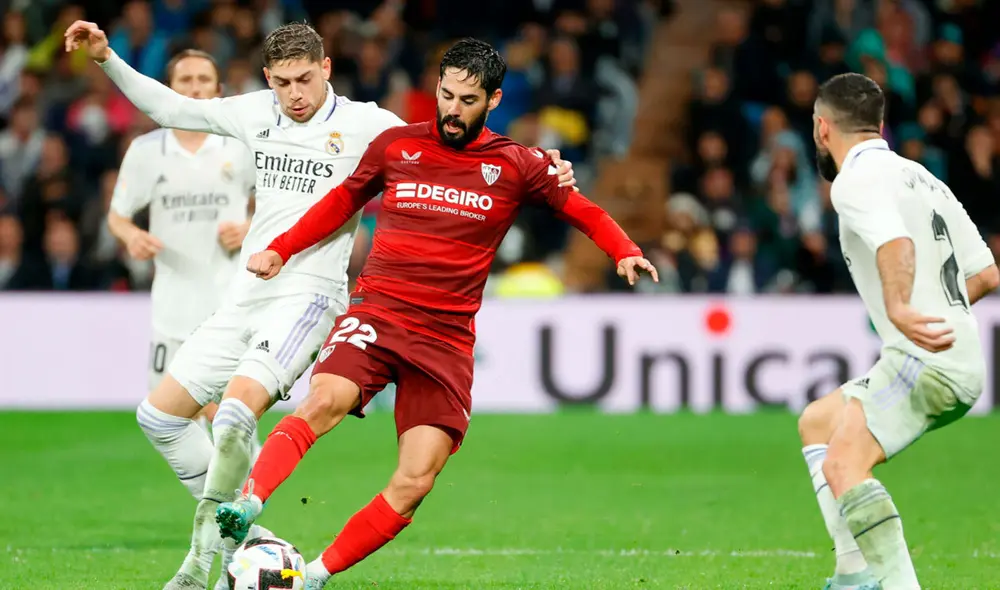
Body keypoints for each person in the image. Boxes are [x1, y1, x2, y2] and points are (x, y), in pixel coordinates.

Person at [65, 21, 577, 590]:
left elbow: (452, 138)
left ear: (326, 68)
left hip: (309, 295)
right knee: (158, 418)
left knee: (234, 414)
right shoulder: (255, 112)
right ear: (268, 78)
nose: (295, 94)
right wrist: (106, 57)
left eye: (305, 79)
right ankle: (252, 540)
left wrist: (541, 165)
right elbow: (171, 109)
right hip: (246, 292)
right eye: (283, 83)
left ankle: (199, 562)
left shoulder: (369, 124)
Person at [214, 38, 658, 589]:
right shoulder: (396, 146)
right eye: (446, 95)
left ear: (494, 99)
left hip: (445, 341)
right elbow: (341, 202)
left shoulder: (517, 164)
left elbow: (582, 209)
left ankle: (310, 577)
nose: (452, 109)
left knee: (416, 480)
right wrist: (282, 248)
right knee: (324, 399)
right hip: (379, 313)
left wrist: (623, 249)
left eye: (467, 100)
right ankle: (250, 501)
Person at [796, 72, 999, 590]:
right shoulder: (923, 177)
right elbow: (986, 275)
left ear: (823, 128)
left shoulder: (853, 181)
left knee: (845, 465)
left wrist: (900, 306)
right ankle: (853, 570)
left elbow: (895, 245)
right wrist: (932, 308)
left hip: (924, 360)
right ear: (880, 124)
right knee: (818, 423)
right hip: (956, 356)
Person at [110, 48, 257, 449]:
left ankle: (243, 483)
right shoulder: (146, 150)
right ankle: (224, 486)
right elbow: (117, 217)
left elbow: (277, 204)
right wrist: (131, 236)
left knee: (231, 415)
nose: (194, 88)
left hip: (228, 304)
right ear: (168, 89)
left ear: (219, 89)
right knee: (167, 418)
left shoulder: (240, 146)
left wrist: (250, 227)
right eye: (185, 80)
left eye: (203, 80)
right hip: (171, 306)